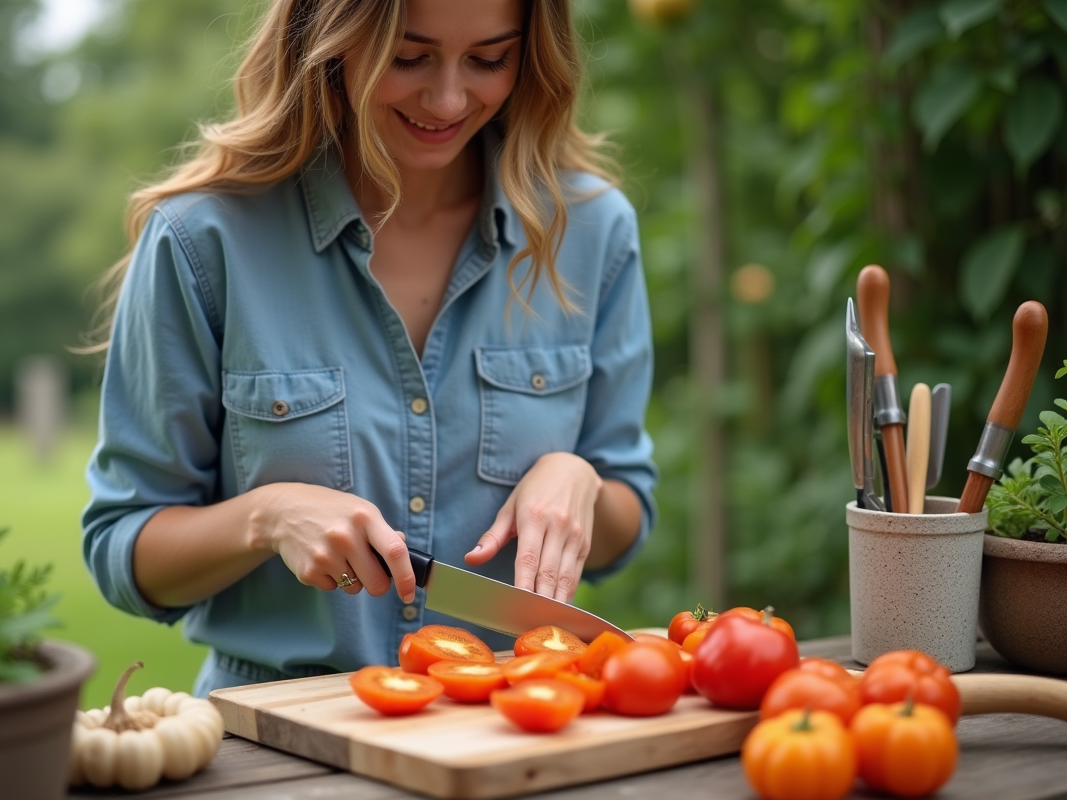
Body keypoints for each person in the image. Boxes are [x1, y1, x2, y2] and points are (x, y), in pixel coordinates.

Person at [82, 0, 658, 697]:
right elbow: (123, 547)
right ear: (330, 42)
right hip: (275, 746)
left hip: (514, 724)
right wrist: (266, 517)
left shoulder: (591, 229)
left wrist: (582, 480)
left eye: (488, 59)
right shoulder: (205, 238)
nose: (447, 98)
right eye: (408, 57)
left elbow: (628, 519)